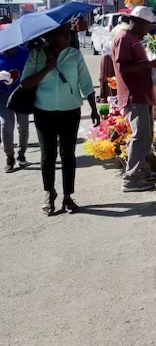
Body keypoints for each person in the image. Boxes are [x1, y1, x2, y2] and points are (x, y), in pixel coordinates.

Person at [21, 25, 98, 215]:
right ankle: (49, 192)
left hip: (70, 111)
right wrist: (46, 68)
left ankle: (68, 196)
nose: (68, 37)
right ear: (51, 38)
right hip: (43, 112)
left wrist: (94, 109)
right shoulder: (36, 55)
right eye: (63, 35)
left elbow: (86, 83)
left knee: (68, 154)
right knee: (47, 155)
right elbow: (25, 83)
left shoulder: (74, 55)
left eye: (68, 34)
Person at [111, 6, 156, 192]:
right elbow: (123, 67)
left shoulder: (133, 38)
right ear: (138, 22)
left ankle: (143, 171)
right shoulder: (124, 37)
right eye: (147, 26)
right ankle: (131, 178)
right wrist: (150, 64)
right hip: (133, 95)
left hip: (142, 93)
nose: (148, 30)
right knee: (140, 137)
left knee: (146, 136)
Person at [0, 42, 30, 172]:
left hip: (21, 93)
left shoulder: (25, 53)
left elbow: (33, 70)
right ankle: (9, 157)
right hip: (3, 95)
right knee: (6, 125)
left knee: (23, 125)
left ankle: (21, 154)